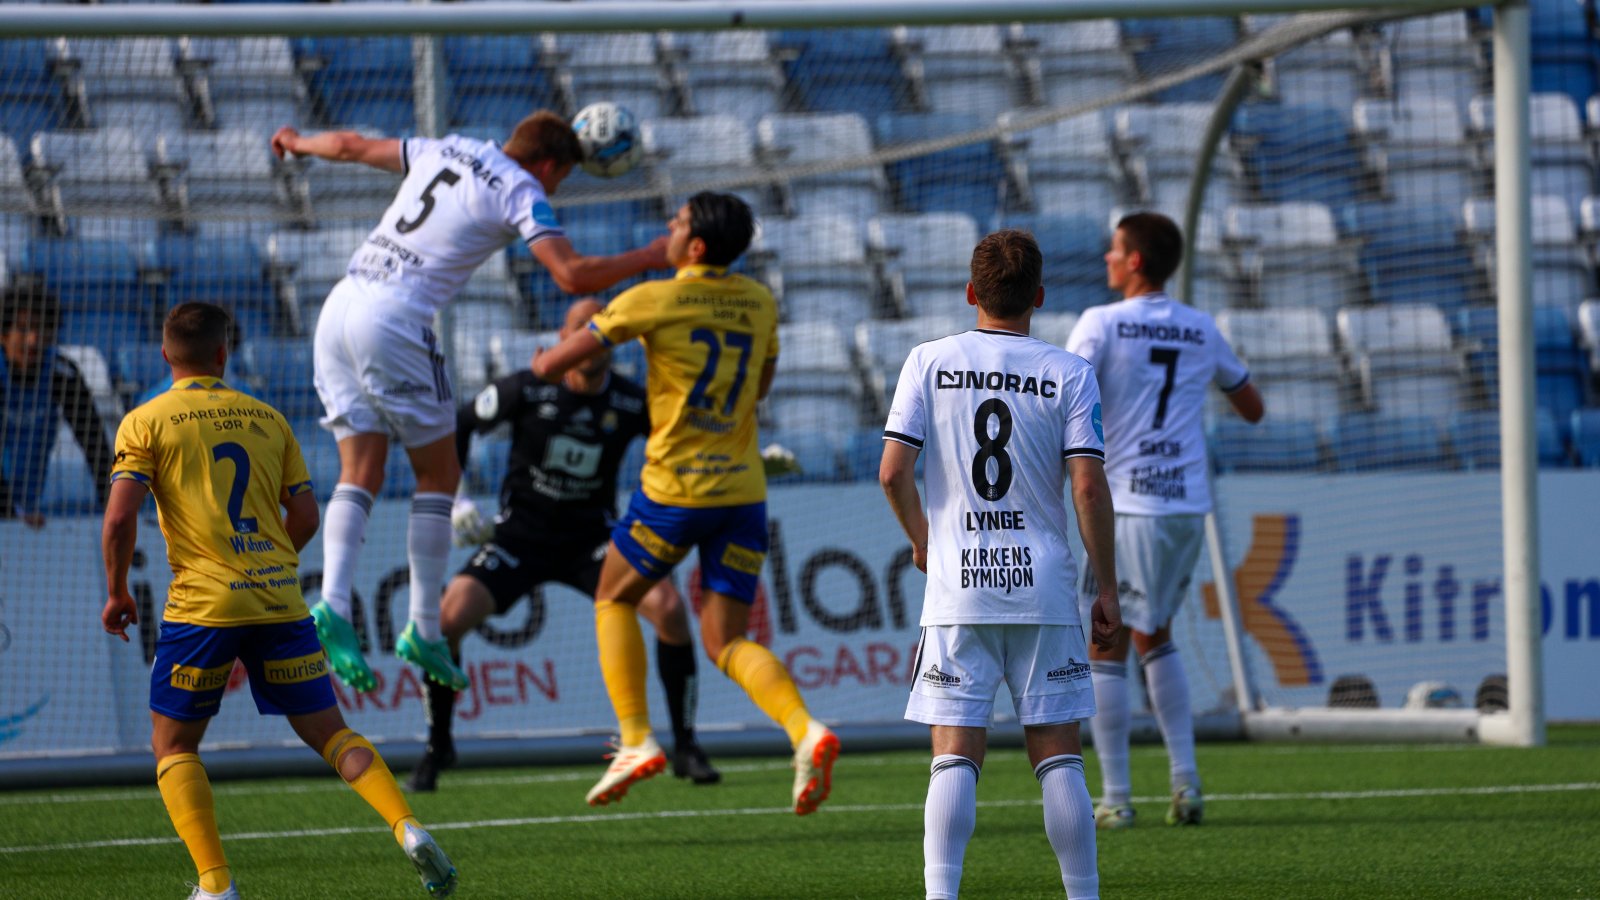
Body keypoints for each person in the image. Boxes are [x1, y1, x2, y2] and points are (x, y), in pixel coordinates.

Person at [269, 111, 668, 694]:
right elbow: (573, 276)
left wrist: (298, 142)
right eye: (559, 180)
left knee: (361, 469)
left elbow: (353, 144)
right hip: (397, 319)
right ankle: (425, 628)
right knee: (439, 472)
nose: (553, 191)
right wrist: (654, 254)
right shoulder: (520, 187)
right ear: (551, 164)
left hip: (341, 304)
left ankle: (331, 605)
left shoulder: (446, 147)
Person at [100, 302, 457, 899]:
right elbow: (306, 516)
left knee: (173, 745)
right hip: (279, 601)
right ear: (224, 353)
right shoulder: (268, 418)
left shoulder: (144, 422)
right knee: (333, 735)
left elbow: (118, 520)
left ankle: (216, 885)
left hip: (202, 609)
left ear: (165, 354)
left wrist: (115, 592)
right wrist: (265, 563)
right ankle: (408, 827)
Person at [533, 192, 840, 814]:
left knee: (613, 596)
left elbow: (552, 368)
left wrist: (553, 353)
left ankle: (638, 739)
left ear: (695, 245)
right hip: (743, 493)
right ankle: (804, 729)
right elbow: (758, 388)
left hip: (675, 491)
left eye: (675, 224)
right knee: (725, 640)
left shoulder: (650, 299)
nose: (666, 230)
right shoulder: (759, 301)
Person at [879, 230, 1120, 900]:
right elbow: (1088, 488)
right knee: (1059, 756)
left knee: (955, 753)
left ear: (970, 293)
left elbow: (893, 473)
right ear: (1039, 297)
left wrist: (924, 539)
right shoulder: (1068, 372)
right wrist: (1104, 586)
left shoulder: (928, 360)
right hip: (1042, 587)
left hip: (959, 586)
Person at [410, 297, 719, 792]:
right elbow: (461, 424)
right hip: (519, 537)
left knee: (670, 610)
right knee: (447, 621)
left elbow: (684, 443)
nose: (589, 337)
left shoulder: (630, 400)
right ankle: (437, 744)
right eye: (580, 328)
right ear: (561, 338)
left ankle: (686, 745)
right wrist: (457, 500)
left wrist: (746, 460)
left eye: (598, 329)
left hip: (593, 542)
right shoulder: (528, 386)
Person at [1064, 212, 1264, 829]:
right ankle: (1187, 784)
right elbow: (1252, 407)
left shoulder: (1101, 322)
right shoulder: (1201, 327)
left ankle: (1117, 798)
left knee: (1106, 640)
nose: (1107, 258)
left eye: (1115, 250)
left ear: (1136, 263)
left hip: (1128, 503)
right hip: (1183, 504)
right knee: (1157, 633)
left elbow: (1060, 385)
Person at [1, 284, 115, 526]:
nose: (33, 340)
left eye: (42, 329)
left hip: (27, 505)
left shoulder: (62, 375)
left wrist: (115, 505)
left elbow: (94, 445)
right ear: (3, 335)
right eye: (23, 330)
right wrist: (10, 512)